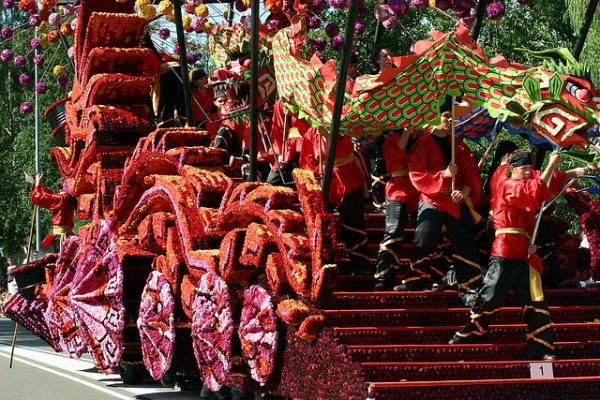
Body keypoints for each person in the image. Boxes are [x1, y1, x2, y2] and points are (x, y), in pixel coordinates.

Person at [448, 150, 587, 361]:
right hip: (504, 248)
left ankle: (542, 346)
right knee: (491, 296)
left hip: (525, 251)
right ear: (511, 169)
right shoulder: (505, 184)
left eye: (530, 170)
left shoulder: (526, 183)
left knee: (536, 300)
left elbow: (541, 186)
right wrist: (551, 165)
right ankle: (471, 332)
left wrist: (576, 171)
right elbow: (533, 192)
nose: (528, 173)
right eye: (524, 169)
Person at [399, 98, 484, 306]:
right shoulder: (422, 144)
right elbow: (417, 175)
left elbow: (472, 170)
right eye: (446, 116)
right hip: (432, 199)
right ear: (434, 117)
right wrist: (444, 174)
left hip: (456, 199)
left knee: (464, 241)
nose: (450, 120)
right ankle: (416, 281)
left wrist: (465, 190)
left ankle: (470, 287)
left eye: (452, 116)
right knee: (424, 237)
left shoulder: (459, 145)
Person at [300, 126, 371, 275]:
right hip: (323, 180)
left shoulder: (344, 126)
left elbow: (343, 148)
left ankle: (360, 264)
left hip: (348, 176)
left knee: (354, 223)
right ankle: (321, 263)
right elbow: (307, 161)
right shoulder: (312, 133)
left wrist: (327, 135)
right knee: (321, 224)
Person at [372, 128, 419, 290]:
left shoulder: (424, 139)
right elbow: (394, 158)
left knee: (424, 234)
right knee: (393, 231)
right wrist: (406, 132)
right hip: (398, 188)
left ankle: (419, 277)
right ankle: (383, 276)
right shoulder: (391, 138)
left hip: (420, 188)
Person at [365, 47, 397, 212]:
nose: (388, 58)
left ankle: (395, 200)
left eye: (390, 55)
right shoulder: (371, 80)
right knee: (378, 165)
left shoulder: (399, 78)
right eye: (385, 56)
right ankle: (380, 204)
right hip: (377, 129)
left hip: (396, 129)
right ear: (377, 60)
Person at [265, 98, 308, 187]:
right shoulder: (280, 102)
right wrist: (279, 154)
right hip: (287, 147)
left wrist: (295, 114)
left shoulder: (306, 98)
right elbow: (277, 132)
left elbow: (313, 124)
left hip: (306, 145)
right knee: (272, 182)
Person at [30, 174, 76, 253]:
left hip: (60, 237)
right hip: (69, 234)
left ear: (59, 188)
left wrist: (37, 184)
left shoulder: (61, 198)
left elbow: (37, 197)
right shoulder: (68, 197)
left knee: (61, 262)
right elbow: (51, 195)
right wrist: (42, 186)